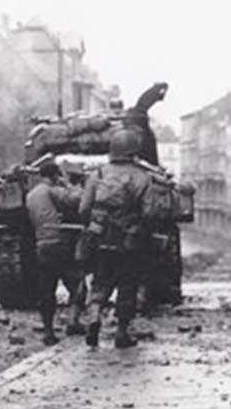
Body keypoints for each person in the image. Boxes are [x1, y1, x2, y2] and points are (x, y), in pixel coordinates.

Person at [79, 129, 157, 349]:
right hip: (128, 241)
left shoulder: (98, 175)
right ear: (134, 151)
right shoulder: (142, 177)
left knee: (100, 281)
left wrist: (93, 225)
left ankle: (94, 316)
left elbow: (84, 208)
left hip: (100, 236)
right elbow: (149, 212)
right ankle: (121, 334)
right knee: (127, 285)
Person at [27, 158, 86, 345]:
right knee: (78, 284)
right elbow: (77, 200)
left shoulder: (31, 195)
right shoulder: (52, 191)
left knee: (47, 290)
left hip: (41, 244)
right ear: (54, 176)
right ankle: (73, 321)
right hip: (59, 244)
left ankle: (48, 331)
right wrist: (71, 184)